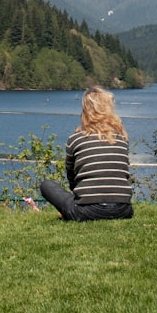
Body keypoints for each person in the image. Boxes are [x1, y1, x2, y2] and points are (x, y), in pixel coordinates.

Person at [39, 87, 134, 221]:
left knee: (46, 185)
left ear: (85, 111)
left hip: (87, 211)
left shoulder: (75, 139)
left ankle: (72, 209)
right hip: (123, 210)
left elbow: (72, 176)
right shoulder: (121, 138)